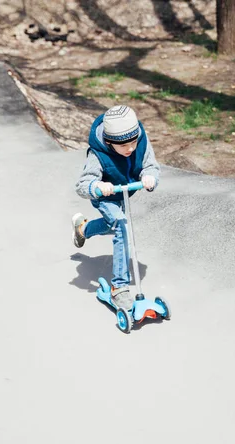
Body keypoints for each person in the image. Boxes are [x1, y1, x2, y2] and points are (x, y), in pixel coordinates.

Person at [72, 105, 160, 311]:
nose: (130, 149)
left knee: (113, 224)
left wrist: (149, 177)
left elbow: (151, 166)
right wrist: (98, 186)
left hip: (124, 192)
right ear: (110, 143)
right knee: (121, 225)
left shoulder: (141, 141)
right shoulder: (97, 154)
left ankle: (83, 229)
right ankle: (119, 287)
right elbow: (82, 185)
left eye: (133, 142)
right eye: (124, 146)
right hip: (105, 196)